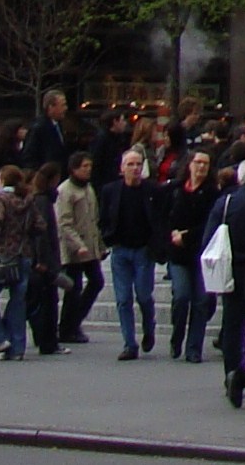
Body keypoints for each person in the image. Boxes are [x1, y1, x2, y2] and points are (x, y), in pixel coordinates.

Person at [203, 158, 245, 408]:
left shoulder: (226, 202)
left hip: (232, 267)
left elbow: (210, 236)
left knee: (232, 323)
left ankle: (231, 372)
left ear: (240, 178)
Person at [100, 149, 165, 360]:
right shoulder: (110, 191)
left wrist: (156, 244)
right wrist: (107, 238)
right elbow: (104, 217)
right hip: (120, 250)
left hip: (143, 250)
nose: (135, 168)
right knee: (123, 299)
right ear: (122, 168)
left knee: (144, 295)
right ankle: (129, 343)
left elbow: (159, 218)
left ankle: (149, 327)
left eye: (138, 164)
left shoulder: (152, 190)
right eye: (130, 164)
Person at [0, 164, 42, 360]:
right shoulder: (27, 200)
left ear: (1, 180)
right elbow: (40, 225)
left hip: (5, 254)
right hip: (24, 254)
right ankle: (17, 348)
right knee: (17, 300)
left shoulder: (1, 198)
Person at [166, 149, 218, 362]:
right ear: (189, 164)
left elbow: (210, 224)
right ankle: (176, 337)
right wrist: (171, 233)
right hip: (177, 254)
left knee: (201, 301)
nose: (201, 167)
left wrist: (185, 235)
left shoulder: (212, 193)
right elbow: (164, 216)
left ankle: (194, 348)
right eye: (198, 162)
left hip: (202, 252)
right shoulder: (175, 189)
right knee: (181, 296)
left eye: (205, 163)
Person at [56, 151, 105, 343]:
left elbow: (94, 219)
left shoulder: (88, 188)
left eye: (90, 166)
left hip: (90, 245)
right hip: (74, 248)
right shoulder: (66, 191)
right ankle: (67, 327)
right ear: (74, 168)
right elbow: (64, 222)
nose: (88, 170)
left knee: (96, 282)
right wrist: (77, 244)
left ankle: (74, 321)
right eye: (84, 166)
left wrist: (99, 245)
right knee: (73, 288)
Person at [25, 163, 65, 355]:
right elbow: (42, 233)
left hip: (44, 258)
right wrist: (42, 260)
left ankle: (47, 339)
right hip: (44, 261)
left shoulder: (40, 199)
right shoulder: (42, 201)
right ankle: (48, 341)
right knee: (47, 301)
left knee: (45, 300)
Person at [21, 90, 69, 173]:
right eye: (63, 105)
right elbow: (29, 156)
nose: (66, 108)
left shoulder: (58, 125)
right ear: (51, 107)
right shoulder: (39, 127)